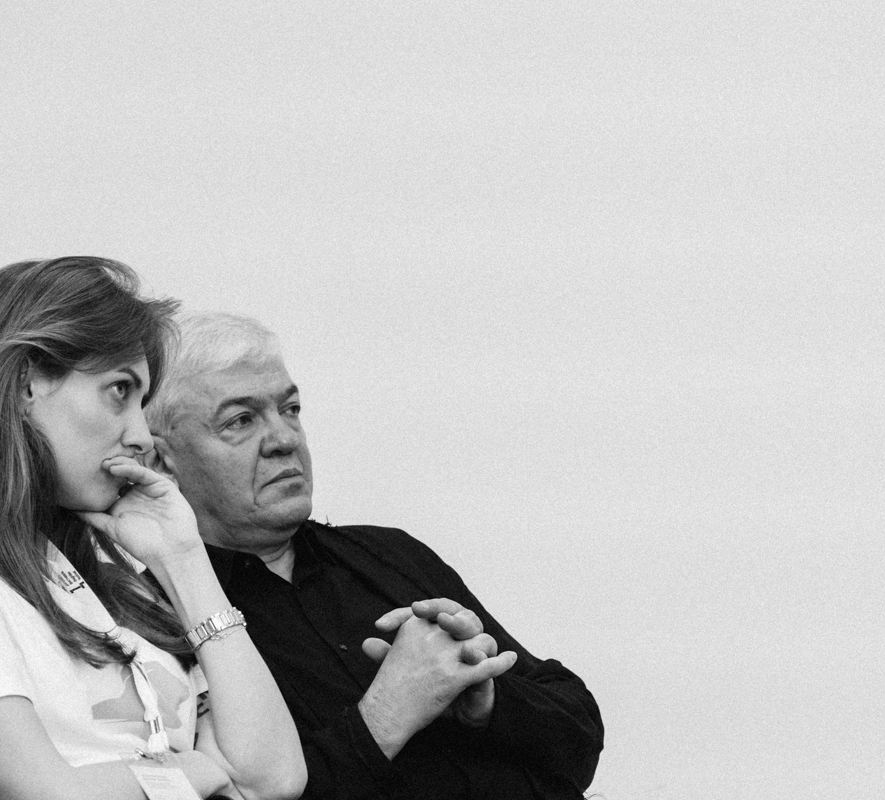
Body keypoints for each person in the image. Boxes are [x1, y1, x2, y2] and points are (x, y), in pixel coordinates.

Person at [145, 311, 604, 800]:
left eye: (291, 409)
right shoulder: (160, 617)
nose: (285, 439)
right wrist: (389, 712)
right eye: (240, 420)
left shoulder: (388, 552)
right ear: (162, 462)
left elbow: (580, 734)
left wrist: (486, 701)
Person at [0, 258, 307, 800]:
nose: (142, 436)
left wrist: (182, 559)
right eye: (119, 390)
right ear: (27, 383)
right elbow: (48, 792)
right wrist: (198, 771)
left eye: (142, 402)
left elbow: (274, 778)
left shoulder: (112, 571)